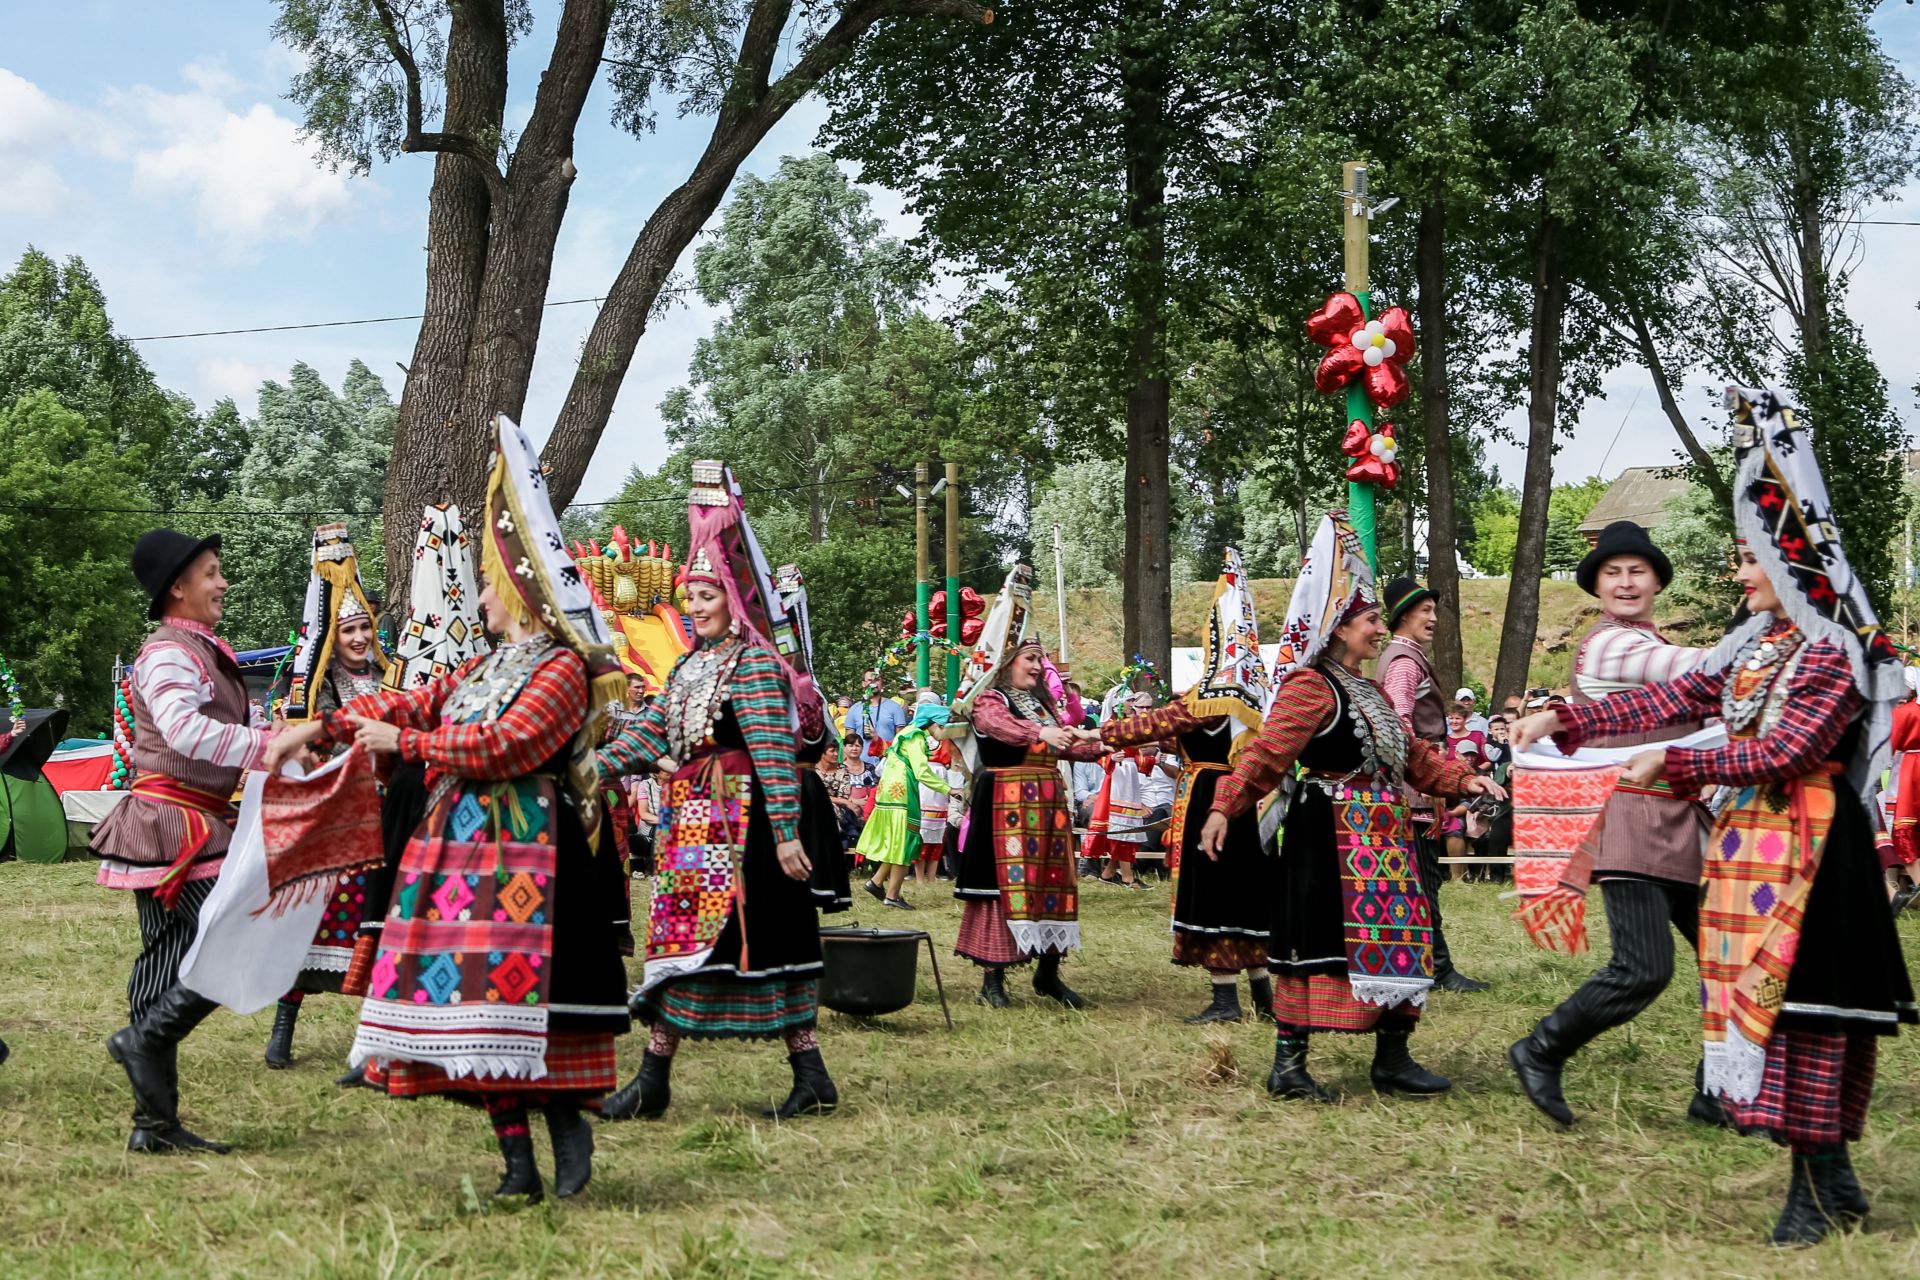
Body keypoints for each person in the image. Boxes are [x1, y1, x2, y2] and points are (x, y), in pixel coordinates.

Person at [1511, 388, 1916, 1246]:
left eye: (1748, 560)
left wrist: (1679, 759)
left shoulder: (1834, 651)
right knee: (1773, 1009)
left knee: (1806, 1012)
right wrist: (1569, 720)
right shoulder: (1755, 648)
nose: (1737, 575)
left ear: (1790, 563)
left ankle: (1813, 1189)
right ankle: (1834, 1181)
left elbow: (1788, 752)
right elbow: (1676, 693)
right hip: (1752, 848)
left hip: (1812, 852)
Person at [268, 417, 631, 1203]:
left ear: (518, 591)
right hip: (460, 855)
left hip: (533, 849)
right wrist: (317, 726)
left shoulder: (565, 667)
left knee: (538, 1011)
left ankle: (567, 1131)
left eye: (491, 582)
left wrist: (411, 748)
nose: (481, 593)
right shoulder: (485, 662)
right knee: (468, 1008)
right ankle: (515, 1165)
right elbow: (412, 701)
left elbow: (512, 745)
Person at [1200, 514, 1503, 1100]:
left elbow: (1413, 757)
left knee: (1400, 937)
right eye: (1369, 621)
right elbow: (1267, 755)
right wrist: (1224, 806)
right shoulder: (1312, 686)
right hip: (1328, 834)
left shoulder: (1367, 690)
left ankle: (1392, 1057)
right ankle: (1289, 1066)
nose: (1379, 631)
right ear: (1338, 629)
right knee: (1314, 939)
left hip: (1384, 836)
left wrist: (1467, 783)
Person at [596, 461, 840, 1125]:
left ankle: (806, 1071)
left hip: (746, 828)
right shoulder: (684, 666)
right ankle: (656, 1077)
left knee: (759, 944)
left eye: (708, 595)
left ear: (733, 599)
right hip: (690, 824)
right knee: (681, 944)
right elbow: (648, 736)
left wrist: (787, 834)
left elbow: (771, 750)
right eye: (691, 596)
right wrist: (588, 767)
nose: (697, 606)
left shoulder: (755, 663)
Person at [1506, 519, 1730, 1132]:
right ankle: (1541, 1048)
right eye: (1612, 573)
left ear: (1657, 580)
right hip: (1631, 818)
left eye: (1637, 571)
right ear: (1597, 587)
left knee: (1729, 960)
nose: (1626, 583)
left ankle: (1719, 1091)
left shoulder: (1642, 640)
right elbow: (1694, 669)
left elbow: (1694, 697)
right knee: (1643, 968)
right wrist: (1763, 652)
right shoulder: (1611, 645)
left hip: (1683, 821)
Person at [92, 529, 284, 1154]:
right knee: (235, 934)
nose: (222, 582)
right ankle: (143, 1055)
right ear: (178, 587)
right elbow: (183, 732)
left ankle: (153, 1125)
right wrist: (266, 745)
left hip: (190, 822)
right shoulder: (168, 652)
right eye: (211, 572)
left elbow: (215, 731)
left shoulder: (196, 649)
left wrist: (274, 736)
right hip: (175, 825)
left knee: (166, 959)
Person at [1101, 548, 1280, 1023]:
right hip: (1249, 799)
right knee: (1247, 890)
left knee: (1214, 889)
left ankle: (1225, 1000)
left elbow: (1148, 726)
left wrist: (1097, 735)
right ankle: (1263, 994)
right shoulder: (1256, 696)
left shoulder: (1204, 699)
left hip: (1207, 799)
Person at [263, 523, 391, 1072]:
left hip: (389, 819)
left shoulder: (393, 677)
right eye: (348, 632)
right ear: (331, 639)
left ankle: (376, 1040)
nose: (360, 638)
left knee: (383, 924)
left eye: (365, 627)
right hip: (339, 819)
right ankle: (283, 1026)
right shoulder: (316, 690)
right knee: (316, 921)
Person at [951, 563, 1106, 1009]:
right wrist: (1042, 734)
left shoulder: (1043, 707)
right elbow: (998, 728)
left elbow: (1071, 746)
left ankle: (1048, 974)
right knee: (1002, 888)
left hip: (1048, 804)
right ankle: (992, 982)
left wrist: (1108, 742)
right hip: (1006, 803)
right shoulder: (988, 699)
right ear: (1006, 663)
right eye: (1031, 659)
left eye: (1041, 659)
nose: (1040, 667)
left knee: (1052, 885)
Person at [1377, 576, 1489, 993]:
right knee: (1423, 880)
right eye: (1425, 611)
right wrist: (1424, 777)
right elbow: (1399, 724)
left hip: (1419, 784)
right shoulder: (1405, 663)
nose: (1433, 618)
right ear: (1403, 615)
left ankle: (1425, 966)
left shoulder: (1406, 657)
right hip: (1413, 792)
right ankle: (1436, 970)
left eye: (1434, 611)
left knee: (1422, 880)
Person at [855, 697, 952, 908]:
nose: (943, 732)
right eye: (942, 727)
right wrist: (949, 788)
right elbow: (921, 771)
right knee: (904, 842)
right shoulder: (916, 737)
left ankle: (877, 881)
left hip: (890, 791)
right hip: (903, 792)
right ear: (933, 723)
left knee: (897, 840)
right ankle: (892, 895)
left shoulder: (905, 733)